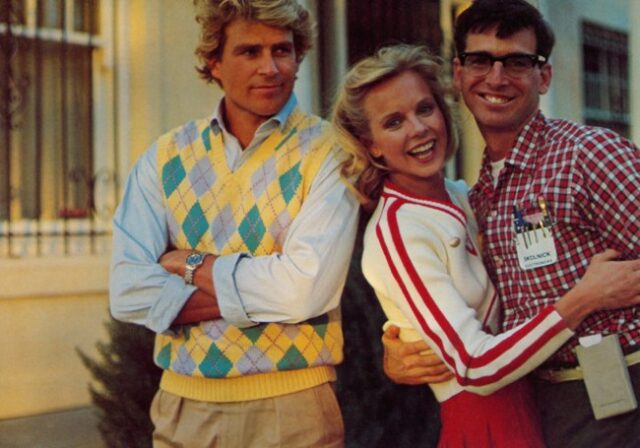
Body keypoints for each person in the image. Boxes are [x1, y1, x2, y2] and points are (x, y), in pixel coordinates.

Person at [332, 43, 640, 448]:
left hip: (537, 401)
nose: (419, 129)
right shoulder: (398, 231)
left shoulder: (467, 197)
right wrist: (585, 298)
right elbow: (475, 364)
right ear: (370, 142)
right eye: (394, 122)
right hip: (486, 421)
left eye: (425, 109)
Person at [109, 1, 358, 446]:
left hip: (293, 407)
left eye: (282, 50)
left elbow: (304, 291)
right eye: (249, 52)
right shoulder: (165, 156)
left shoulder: (328, 151)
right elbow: (127, 290)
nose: (270, 68)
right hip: (183, 408)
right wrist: (266, 287)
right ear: (214, 63)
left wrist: (191, 265)